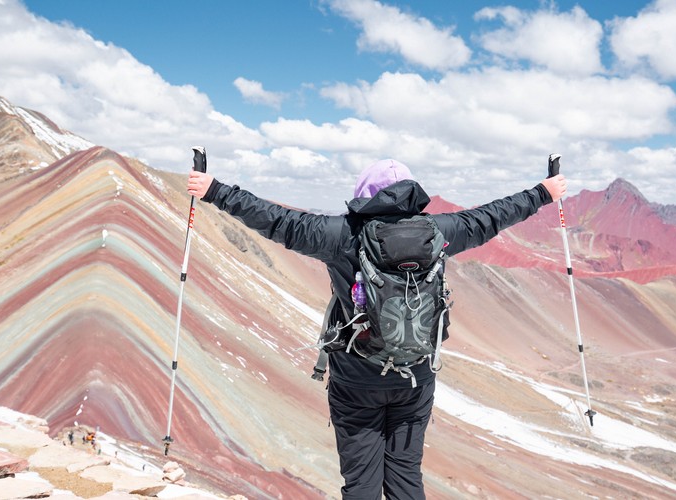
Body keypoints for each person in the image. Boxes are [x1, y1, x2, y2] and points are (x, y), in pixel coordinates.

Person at [187, 159, 567, 499]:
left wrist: (214, 190)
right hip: (415, 379)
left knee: (361, 485)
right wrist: (543, 192)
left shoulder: (339, 234)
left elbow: (276, 220)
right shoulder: (441, 230)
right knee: (404, 476)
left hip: (356, 381)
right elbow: (494, 216)